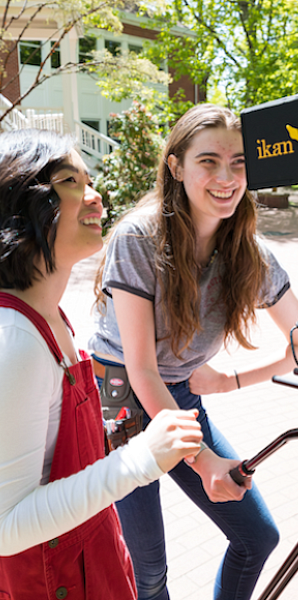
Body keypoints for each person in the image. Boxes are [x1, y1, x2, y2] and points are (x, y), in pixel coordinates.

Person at [88, 103, 298, 600]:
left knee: (257, 537)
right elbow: (141, 369)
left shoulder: (250, 254)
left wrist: (228, 380)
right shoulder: (139, 238)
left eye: (238, 163)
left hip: (178, 391)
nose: (227, 177)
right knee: (147, 571)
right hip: (119, 397)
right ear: (176, 167)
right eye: (209, 161)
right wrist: (203, 460)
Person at [0, 129, 204, 600]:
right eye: (72, 181)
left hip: (89, 564)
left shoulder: (52, 318)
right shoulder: (17, 340)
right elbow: (8, 525)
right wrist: (140, 459)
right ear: (22, 202)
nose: (96, 198)